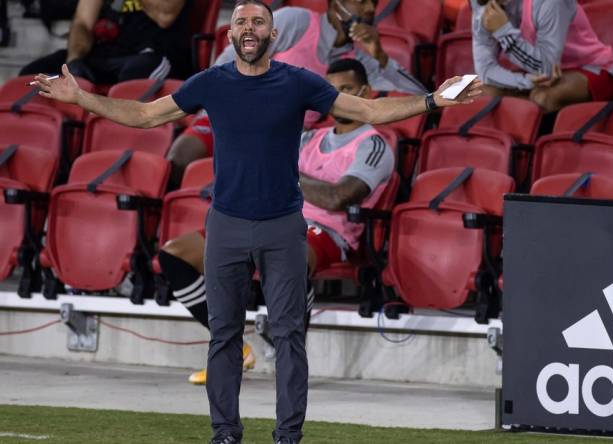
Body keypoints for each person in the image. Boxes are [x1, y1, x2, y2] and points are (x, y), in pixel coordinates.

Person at [33, 1, 480, 442]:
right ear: (230, 36)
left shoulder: (299, 81)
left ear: (273, 34)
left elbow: (368, 112)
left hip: (284, 225)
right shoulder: (212, 82)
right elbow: (147, 115)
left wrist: (434, 99)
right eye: (241, 21)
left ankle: (288, 435)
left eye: (258, 21)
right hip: (225, 225)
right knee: (223, 336)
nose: (249, 27)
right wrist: (83, 99)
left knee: (289, 336)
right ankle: (225, 433)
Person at [160, 58, 395, 386]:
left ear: (364, 92)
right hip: (274, 215)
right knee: (175, 253)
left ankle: (291, 360)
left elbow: (339, 198)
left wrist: (283, 174)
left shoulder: (373, 144)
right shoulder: (309, 138)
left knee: (292, 255)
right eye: (333, 90)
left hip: (328, 232)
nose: (338, 96)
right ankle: (233, 348)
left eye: (347, 89)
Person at [167, 0, 424, 188]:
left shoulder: (357, 62)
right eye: (360, 2)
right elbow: (231, 57)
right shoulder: (297, 21)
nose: (369, 9)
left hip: (283, 140)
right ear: (337, 5)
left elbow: (418, 96)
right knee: (180, 157)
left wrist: (379, 55)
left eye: (373, 3)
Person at [471, 0, 613, 113]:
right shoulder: (481, 3)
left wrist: (503, 31)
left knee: (542, 97)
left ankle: (537, 149)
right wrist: (524, 82)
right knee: (479, 92)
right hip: (536, 73)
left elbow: (546, 68)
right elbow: (485, 69)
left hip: (589, 67)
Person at [19, 0, 188, 83]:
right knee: (31, 76)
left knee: (134, 74)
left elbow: (166, 15)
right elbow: (82, 23)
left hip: (153, 54)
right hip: (107, 55)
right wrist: (74, 60)